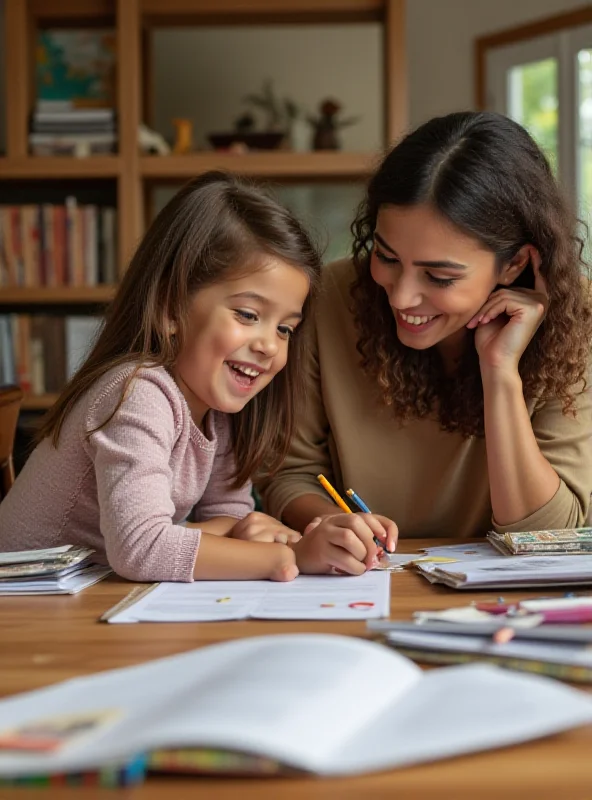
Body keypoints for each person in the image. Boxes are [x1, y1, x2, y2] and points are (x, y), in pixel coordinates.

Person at [259, 111, 592, 575]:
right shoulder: (332, 297)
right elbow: (290, 474)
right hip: (361, 583)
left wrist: (500, 370)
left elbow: (547, 536)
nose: (400, 295)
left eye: (439, 275)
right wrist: (337, 525)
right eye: (386, 256)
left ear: (515, 264)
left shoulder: (577, 319)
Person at [0, 171, 329, 583]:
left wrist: (239, 531)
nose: (270, 345)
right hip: (23, 604)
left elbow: (230, 518)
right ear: (170, 309)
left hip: (92, 593)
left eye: (285, 329)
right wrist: (288, 557)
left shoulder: (217, 406)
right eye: (248, 315)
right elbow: (140, 548)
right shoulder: (137, 391)